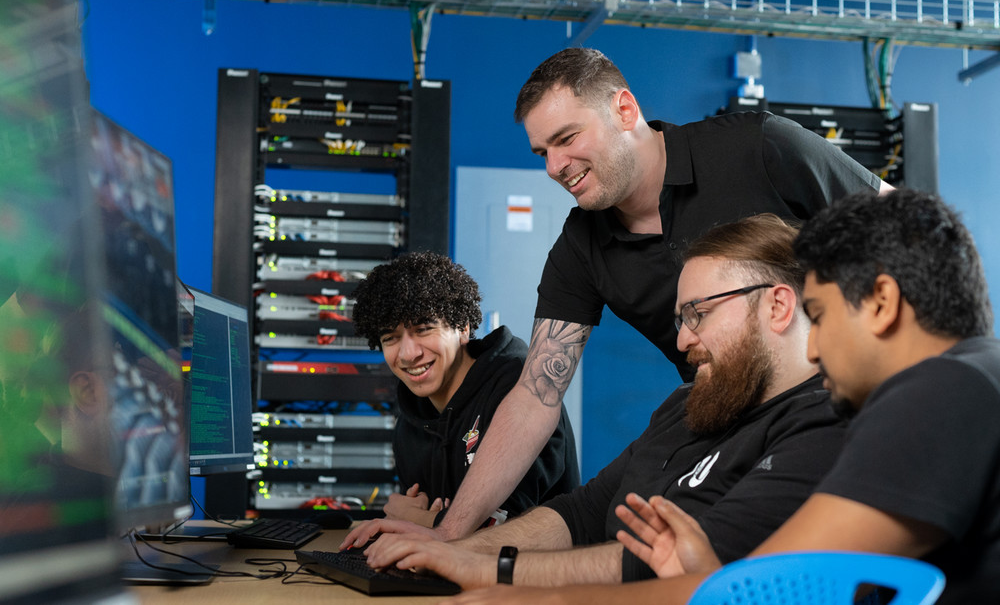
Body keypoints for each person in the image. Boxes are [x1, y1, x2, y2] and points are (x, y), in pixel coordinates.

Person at [349, 47, 889, 543]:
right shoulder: (580, 247)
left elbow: (907, 229)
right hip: (726, 425)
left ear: (625, 110)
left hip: (842, 411)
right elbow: (536, 397)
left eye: (566, 139)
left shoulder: (760, 146)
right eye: (542, 151)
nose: (554, 167)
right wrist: (450, 535)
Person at [448, 188, 999, 605]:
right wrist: (711, 574)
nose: (818, 344)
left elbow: (763, 586)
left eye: (823, 316)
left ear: (881, 302)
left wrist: (533, 598)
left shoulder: (941, 391)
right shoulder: (977, 376)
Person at [348, 214, 847, 590]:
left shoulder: (824, 426)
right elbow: (582, 512)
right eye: (681, 320)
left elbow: (664, 569)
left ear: (778, 305)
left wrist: (485, 568)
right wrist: (449, 548)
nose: (682, 342)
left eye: (698, 314)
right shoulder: (687, 405)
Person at [350, 251, 579, 529]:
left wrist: (410, 517)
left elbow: (506, 531)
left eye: (423, 329)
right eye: (391, 338)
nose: (408, 354)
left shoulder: (521, 391)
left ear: (462, 327)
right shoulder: (411, 424)